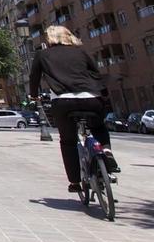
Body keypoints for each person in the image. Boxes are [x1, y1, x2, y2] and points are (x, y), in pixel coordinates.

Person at [28, 25, 120, 192]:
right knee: (98, 127)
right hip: (92, 98)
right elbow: (96, 73)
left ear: (50, 39)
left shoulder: (42, 55)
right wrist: (102, 94)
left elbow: (34, 77)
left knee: (68, 141)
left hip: (63, 101)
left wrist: (34, 95)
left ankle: (75, 182)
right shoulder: (81, 52)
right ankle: (106, 150)